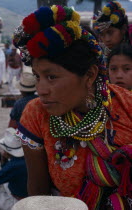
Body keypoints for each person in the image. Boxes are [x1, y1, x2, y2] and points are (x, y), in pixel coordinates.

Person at [13, 5, 132, 209]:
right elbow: (39, 196)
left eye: (51, 77)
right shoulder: (36, 114)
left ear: (89, 75)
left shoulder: (126, 104)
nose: (41, 90)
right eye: (37, 77)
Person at [0, 127, 28, 210]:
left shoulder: (13, 166)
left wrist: (3, 162)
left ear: (7, 151)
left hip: (20, 202)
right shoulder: (26, 157)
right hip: (30, 193)